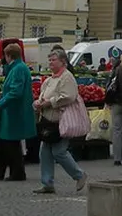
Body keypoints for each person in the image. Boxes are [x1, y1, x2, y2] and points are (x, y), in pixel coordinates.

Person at [32, 50, 87, 193]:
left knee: (59, 152)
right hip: (48, 120)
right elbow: (43, 95)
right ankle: (47, 183)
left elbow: (69, 96)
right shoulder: (50, 79)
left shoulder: (67, 77)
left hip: (62, 120)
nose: (50, 63)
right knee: (44, 152)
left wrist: (50, 102)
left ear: (63, 61)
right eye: (49, 60)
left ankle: (79, 175)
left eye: (53, 60)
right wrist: (38, 103)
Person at [0, 43, 36, 181]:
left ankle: (17, 173)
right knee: (4, 142)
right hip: (12, 110)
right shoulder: (18, 67)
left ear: (8, 55)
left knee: (11, 143)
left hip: (14, 111)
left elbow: (16, 92)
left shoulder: (18, 69)